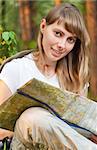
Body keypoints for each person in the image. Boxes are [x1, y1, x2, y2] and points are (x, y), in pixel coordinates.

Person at [0, 2, 97, 150]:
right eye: (58, 34)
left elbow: (78, 130)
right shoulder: (16, 68)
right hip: (22, 144)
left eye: (70, 40)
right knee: (32, 116)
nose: (62, 45)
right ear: (43, 26)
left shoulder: (76, 79)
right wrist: (41, 125)